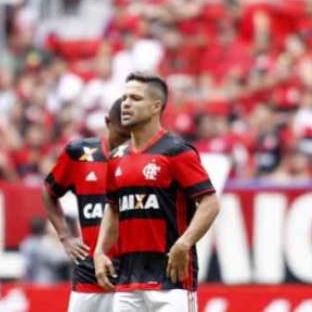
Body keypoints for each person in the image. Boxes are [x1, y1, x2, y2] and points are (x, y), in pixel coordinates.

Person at [94, 72, 220, 312]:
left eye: (135, 98)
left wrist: (185, 243)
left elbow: (210, 202)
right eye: (124, 97)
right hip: (128, 280)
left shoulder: (176, 151)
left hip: (171, 280)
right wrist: (100, 251)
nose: (126, 104)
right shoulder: (117, 157)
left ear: (155, 106)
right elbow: (113, 208)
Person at [43, 97, 131, 312]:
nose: (124, 143)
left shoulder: (143, 157)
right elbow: (49, 193)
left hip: (132, 270)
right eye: (121, 135)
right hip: (90, 270)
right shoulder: (79, 153)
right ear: (107, 123)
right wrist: (65, 236)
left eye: (130, 137)